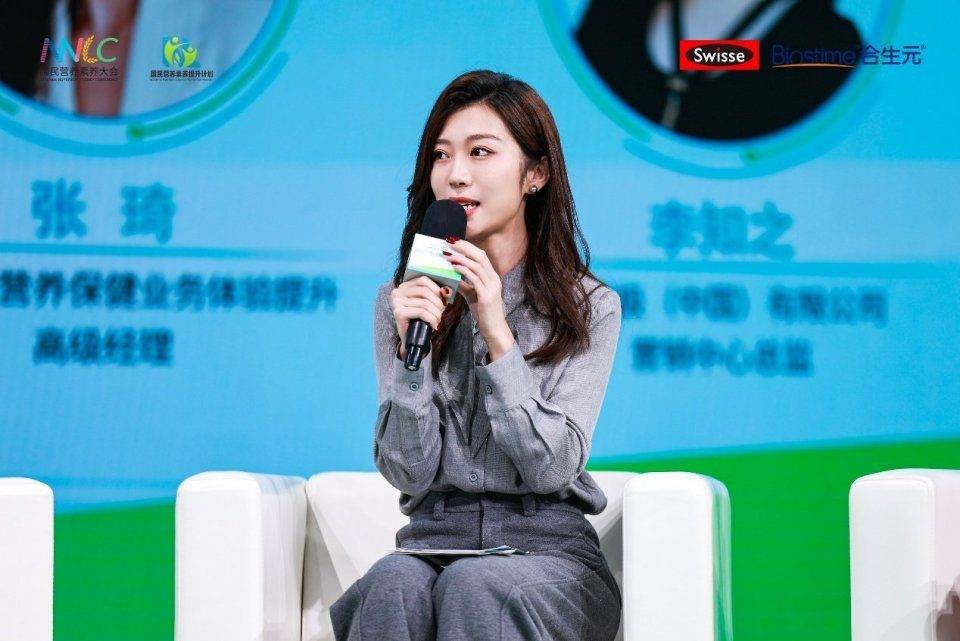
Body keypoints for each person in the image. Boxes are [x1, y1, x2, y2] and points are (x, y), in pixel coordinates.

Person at [330, 69, 623, 640]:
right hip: (433, 544)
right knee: (390, 583)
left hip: (549, 558)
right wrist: (412, 357)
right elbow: (407, 471)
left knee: (477, 584)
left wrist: (496, 331)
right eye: (441, 156)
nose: (456, 174)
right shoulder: (402, 300)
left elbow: (551, 468)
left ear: (535, 174)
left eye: (480, 152)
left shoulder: (589, 307)